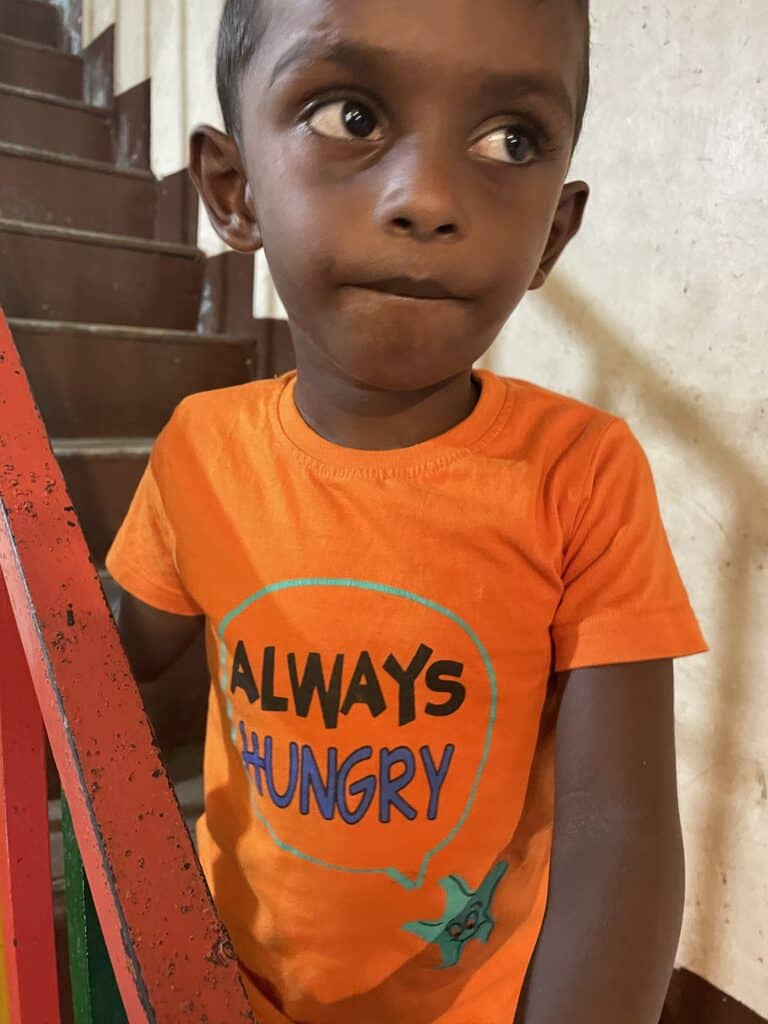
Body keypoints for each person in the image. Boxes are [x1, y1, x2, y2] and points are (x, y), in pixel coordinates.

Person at [107, 1, 708, 1021]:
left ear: (553, 230)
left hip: (474, 998)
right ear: (232, 188)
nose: (427, 197)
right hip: (227, 978)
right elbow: (121, 654)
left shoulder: (584, 473)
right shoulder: (201, 451)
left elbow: (621, 828)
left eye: (508, 140)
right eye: (349, 117)